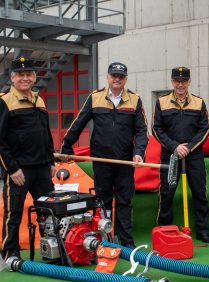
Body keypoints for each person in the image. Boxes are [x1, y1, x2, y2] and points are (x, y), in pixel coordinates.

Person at [60, 62, 148, 249]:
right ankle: (105, 240)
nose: (117, 79)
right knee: (103, 201)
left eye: (120, 77)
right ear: (107, 78)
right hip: (101, 160)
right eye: (113, 76)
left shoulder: (135, 100)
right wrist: (66, 147)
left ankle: (126, 242)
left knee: (124, 200)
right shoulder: (95, 97)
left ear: (125, 79)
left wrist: (138, 153)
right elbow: (78, 123)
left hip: (125, 161)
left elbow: (141, 131)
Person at [0, 55, 55, 260]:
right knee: (14, 213)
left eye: (28, 74)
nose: (25, 78)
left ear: (34, 78)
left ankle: (50, 249)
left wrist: (51, 160)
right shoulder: (2, 101)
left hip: (42, 167)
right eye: (20, 75)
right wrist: (12, 168)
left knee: (48, 211)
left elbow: (46, 133)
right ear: (12, 78)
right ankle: (10, 252)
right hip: (19, 169)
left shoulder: (39, 99)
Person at [152, 67, 209, 243]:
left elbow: (205, 128)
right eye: (177, 81)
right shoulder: (161, 102)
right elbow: (156, 129)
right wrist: (175, 147)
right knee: (167, 193)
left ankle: (202, 231)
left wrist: (190, 147)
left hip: (194, 156)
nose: (180, 84)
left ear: (189, 82)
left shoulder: (199, 102)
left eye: (184, 81)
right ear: (172, 82)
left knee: (200, 193)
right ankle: (164, 230)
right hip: (170, 155)